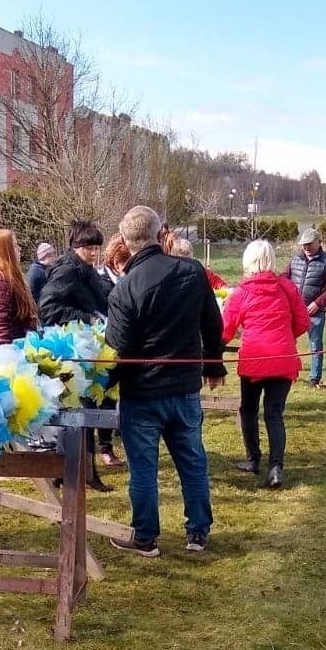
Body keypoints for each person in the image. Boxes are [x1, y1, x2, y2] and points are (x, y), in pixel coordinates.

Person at [104, 205, 223, 556]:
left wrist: (99, 387)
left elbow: (117, 350)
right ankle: (198, 532)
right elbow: (212, 324)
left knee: (144, 469)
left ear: (126, 243)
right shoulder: (192, 271)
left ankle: (146, 537)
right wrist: (214, 365)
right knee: (192, 460)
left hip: (143, 394)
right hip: (182, 388)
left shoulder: (125, 289)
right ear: (159, 235)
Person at [222, 239, 309, 489]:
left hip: (255, 359)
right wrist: (283, 336)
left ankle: (253, 459)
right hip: (283, 358)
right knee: (274, 413)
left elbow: (225, 330)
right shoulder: (287, 288)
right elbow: (303, 321)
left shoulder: (241, 293)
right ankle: (275, 467)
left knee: (248, 409)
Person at [41, 220, 117, 479]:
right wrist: (87, 318)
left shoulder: (86, 269)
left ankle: (80, 471)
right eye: (89, 248)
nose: (94, 254)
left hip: (85, 348)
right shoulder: (67, 271)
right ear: (76, 247)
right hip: (70, 349)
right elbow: (48, 309)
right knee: (75, 412)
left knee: (80, 410)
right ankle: (76, 472)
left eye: (97, 248)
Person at [287, 227, 326, 388]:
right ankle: (289, 372)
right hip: (293, 310)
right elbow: (284, 279)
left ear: (318, 242)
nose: (305, 247)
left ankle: (315, 377)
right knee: (288, 342)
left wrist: (317, 303)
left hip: (315, 311)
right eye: (303, 244)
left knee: (315, 344)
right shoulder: (295, 260)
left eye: (309, 244)